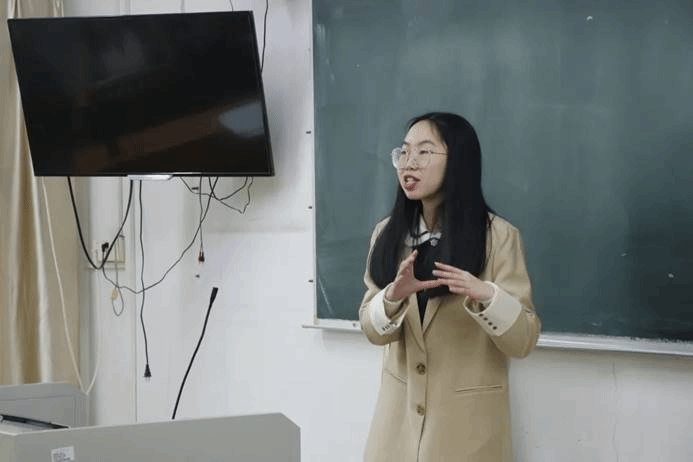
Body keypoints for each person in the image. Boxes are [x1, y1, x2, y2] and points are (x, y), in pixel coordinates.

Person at [359, 112, 541, 462]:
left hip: (467, 437)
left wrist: (487, 296)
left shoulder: (499, 238)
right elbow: (371, 330)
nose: (409, 163)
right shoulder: (387, 235)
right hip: (396, 434)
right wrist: (392, 298)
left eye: (424, 152)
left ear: (458, 161)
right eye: (404, 152)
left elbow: (523, 341)